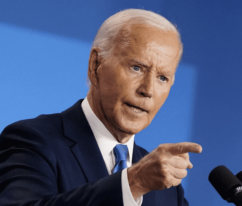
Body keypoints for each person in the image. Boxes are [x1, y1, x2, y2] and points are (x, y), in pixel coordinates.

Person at [0, 9, 202, 206]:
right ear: (96, 65)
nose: (147, 90)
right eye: (137, 68)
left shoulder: (167, 188)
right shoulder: (33, 140)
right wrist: (133, 183)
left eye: (162, 78)